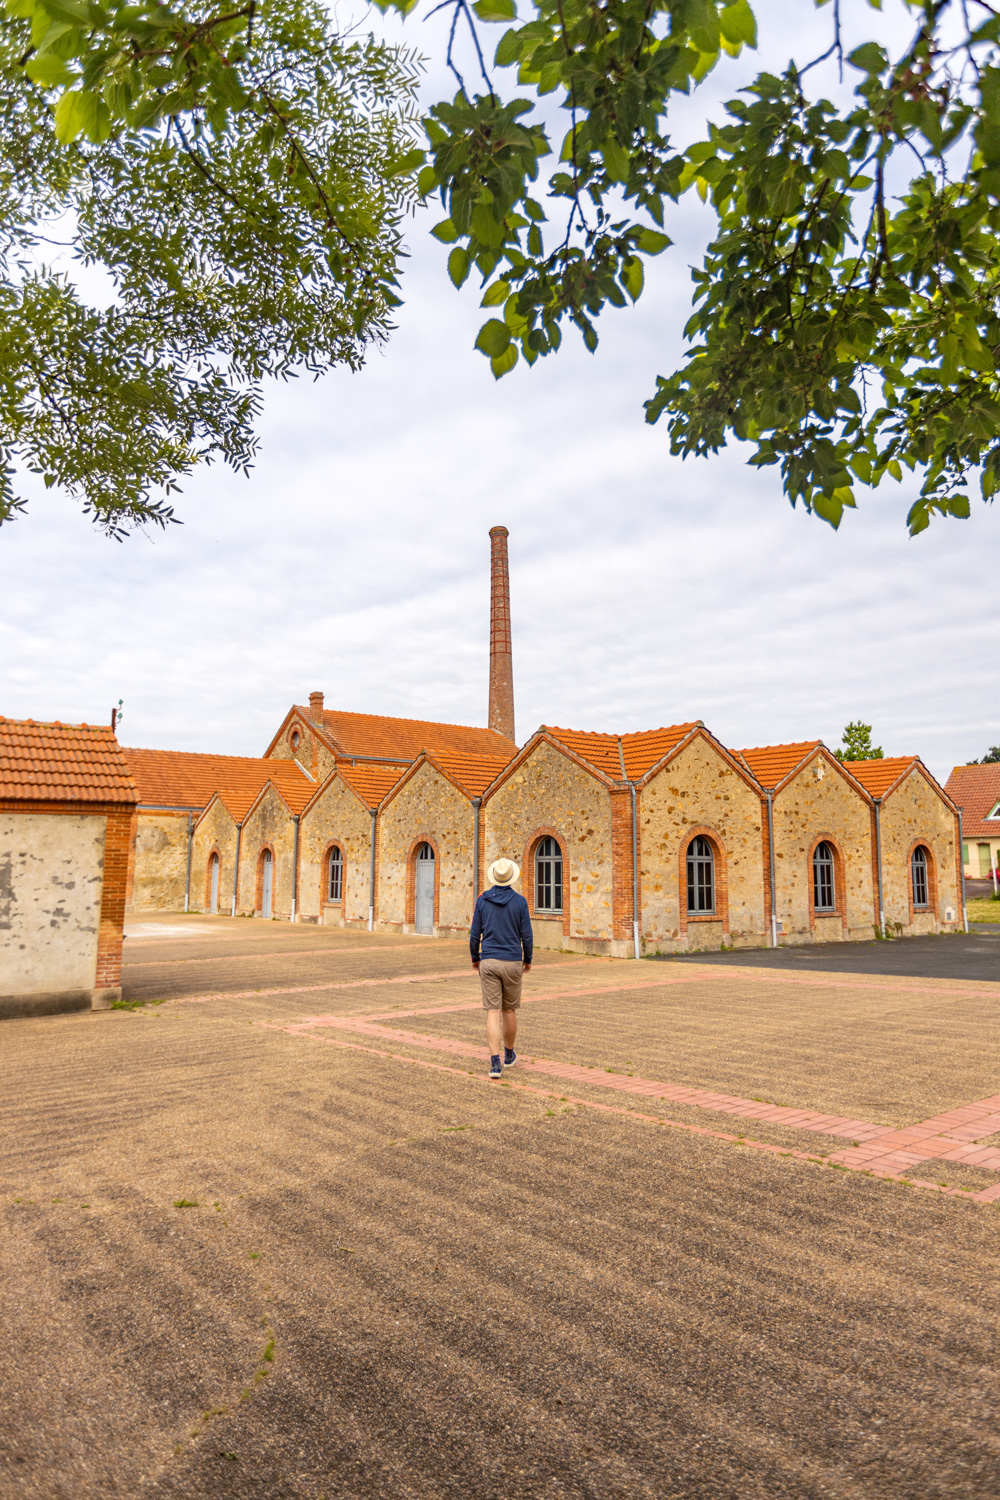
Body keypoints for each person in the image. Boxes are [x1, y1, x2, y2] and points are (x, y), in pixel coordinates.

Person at [470, 858, 533, 1079]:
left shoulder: (482, 901)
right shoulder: (520, 902)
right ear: (511, 878)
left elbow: (474, 933)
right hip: (513, 961)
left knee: (492, 1012)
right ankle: (508, 1055)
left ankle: (494, 1064)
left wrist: (475, 957)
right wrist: (528, 958)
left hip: (489, 961)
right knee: (509, 1010)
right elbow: (527, 934)